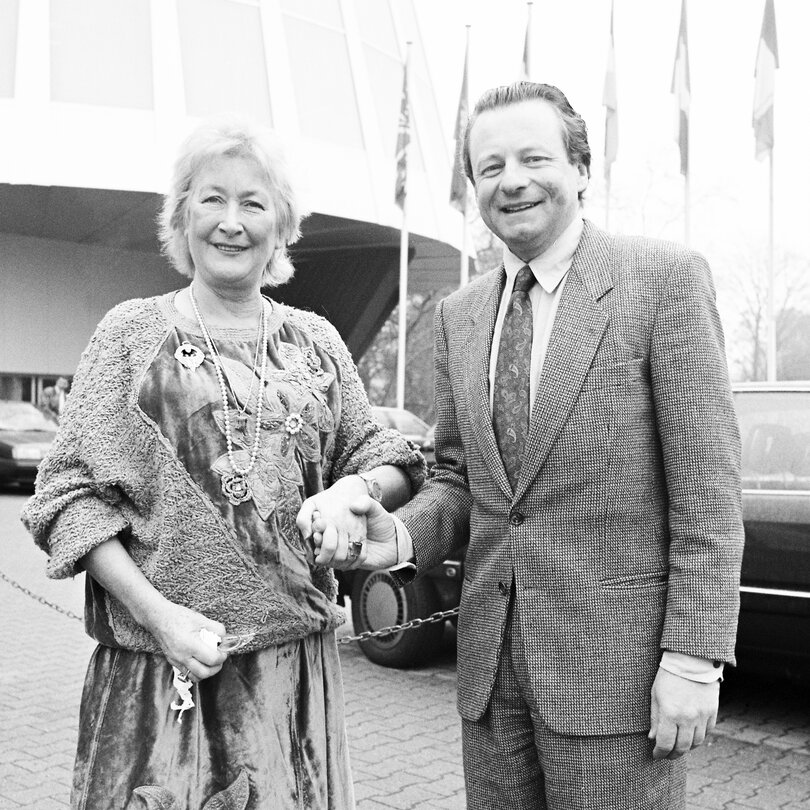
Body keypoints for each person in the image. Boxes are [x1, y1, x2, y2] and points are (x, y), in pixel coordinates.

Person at [303, 82, 745, 810]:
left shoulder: (662, 282)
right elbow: (455, 478)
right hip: (489, 676)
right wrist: (395, 534)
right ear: (473, 185)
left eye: (533, 158)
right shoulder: (461, 315)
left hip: (619, 682)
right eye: (489, 166)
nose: (511, 180)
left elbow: (707, 492)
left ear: (580, 168)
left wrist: (695, 660)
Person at [22, 118, 424, 810]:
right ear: (181, 216)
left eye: (253, 203)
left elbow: (388, 456)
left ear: (282, 225)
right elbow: (68, 498)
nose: (231, 223)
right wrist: (161, 620)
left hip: (291, 684)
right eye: (211, 200)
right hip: (156, 683)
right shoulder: (130, 335)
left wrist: (352, 492)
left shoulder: (317, 342)